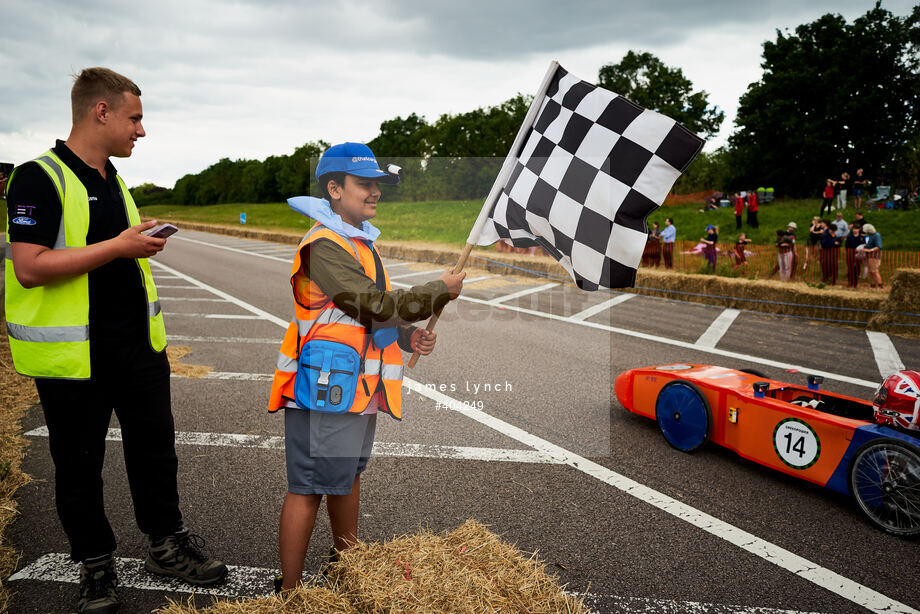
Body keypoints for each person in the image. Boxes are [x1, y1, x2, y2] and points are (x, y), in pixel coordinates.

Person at [4, 67, 226, 614]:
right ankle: (95, 565)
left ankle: (166, 545)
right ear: (100, 112)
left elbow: (105, 245)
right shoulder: (37, 177)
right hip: (76, 357)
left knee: (156, 453)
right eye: (135, 117)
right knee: (77, 465)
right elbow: (30, 267)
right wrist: (118, 247)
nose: (141, 131)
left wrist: (134, 238)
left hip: (138, 348)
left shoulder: (111, 178)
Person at [268, 142, 465, 593]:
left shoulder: (357, 241)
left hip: (353, 387)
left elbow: (366, 317)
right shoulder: (324, 245)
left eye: (378, 184)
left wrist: (406, 336)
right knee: (309, 487)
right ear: (334, 189)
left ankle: (349, 569)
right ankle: (291, 592)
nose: (374, 192)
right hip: (325, 387)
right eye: (364, 183)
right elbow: (373, 305)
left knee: (345, 478)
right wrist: (439, 290)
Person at [819, 221, 841, 285]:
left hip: (834, 254)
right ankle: (826, 279)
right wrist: (833, 243)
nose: (832, 231)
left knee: (834, 266)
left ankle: (833, 280)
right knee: (826, 266)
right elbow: (823, 244)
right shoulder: (825, 236)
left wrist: (838, 244)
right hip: (826, 254)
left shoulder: (836, 236)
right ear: (829, 229)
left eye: (834, 230)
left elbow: (838, 244)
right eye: (831, 230)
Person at [863, 223, 883, 289]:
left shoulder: (877, 235)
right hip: (870, 256)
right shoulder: (870, 236)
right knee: (872, 271)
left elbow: (878, 246)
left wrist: (870, 250)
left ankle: (880, 286)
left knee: (875, 271)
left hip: (875, 256)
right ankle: (872, 285)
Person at [844, 224, 865, 288]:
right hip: (850, 255)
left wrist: (859, 250)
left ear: (859, 230)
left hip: (859, 255)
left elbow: (864, 245)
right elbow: (847, 246)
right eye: (854, 229)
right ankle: (850, 281)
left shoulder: (862, 237)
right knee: (850, 268)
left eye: (856, 229)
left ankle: (855, 282)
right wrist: (852, 251)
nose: (855, 230)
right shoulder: (849, 237)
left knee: (857, 268)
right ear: (852, 230)